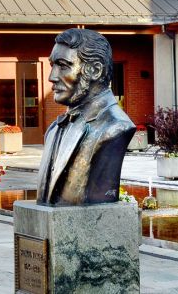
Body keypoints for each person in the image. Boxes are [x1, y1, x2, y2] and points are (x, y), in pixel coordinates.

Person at [35, 29, 136, 206]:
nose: (52, 77)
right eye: (53, 65)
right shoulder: (53, 130)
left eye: (63, 65)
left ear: (95, 70)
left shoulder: (115, 127)